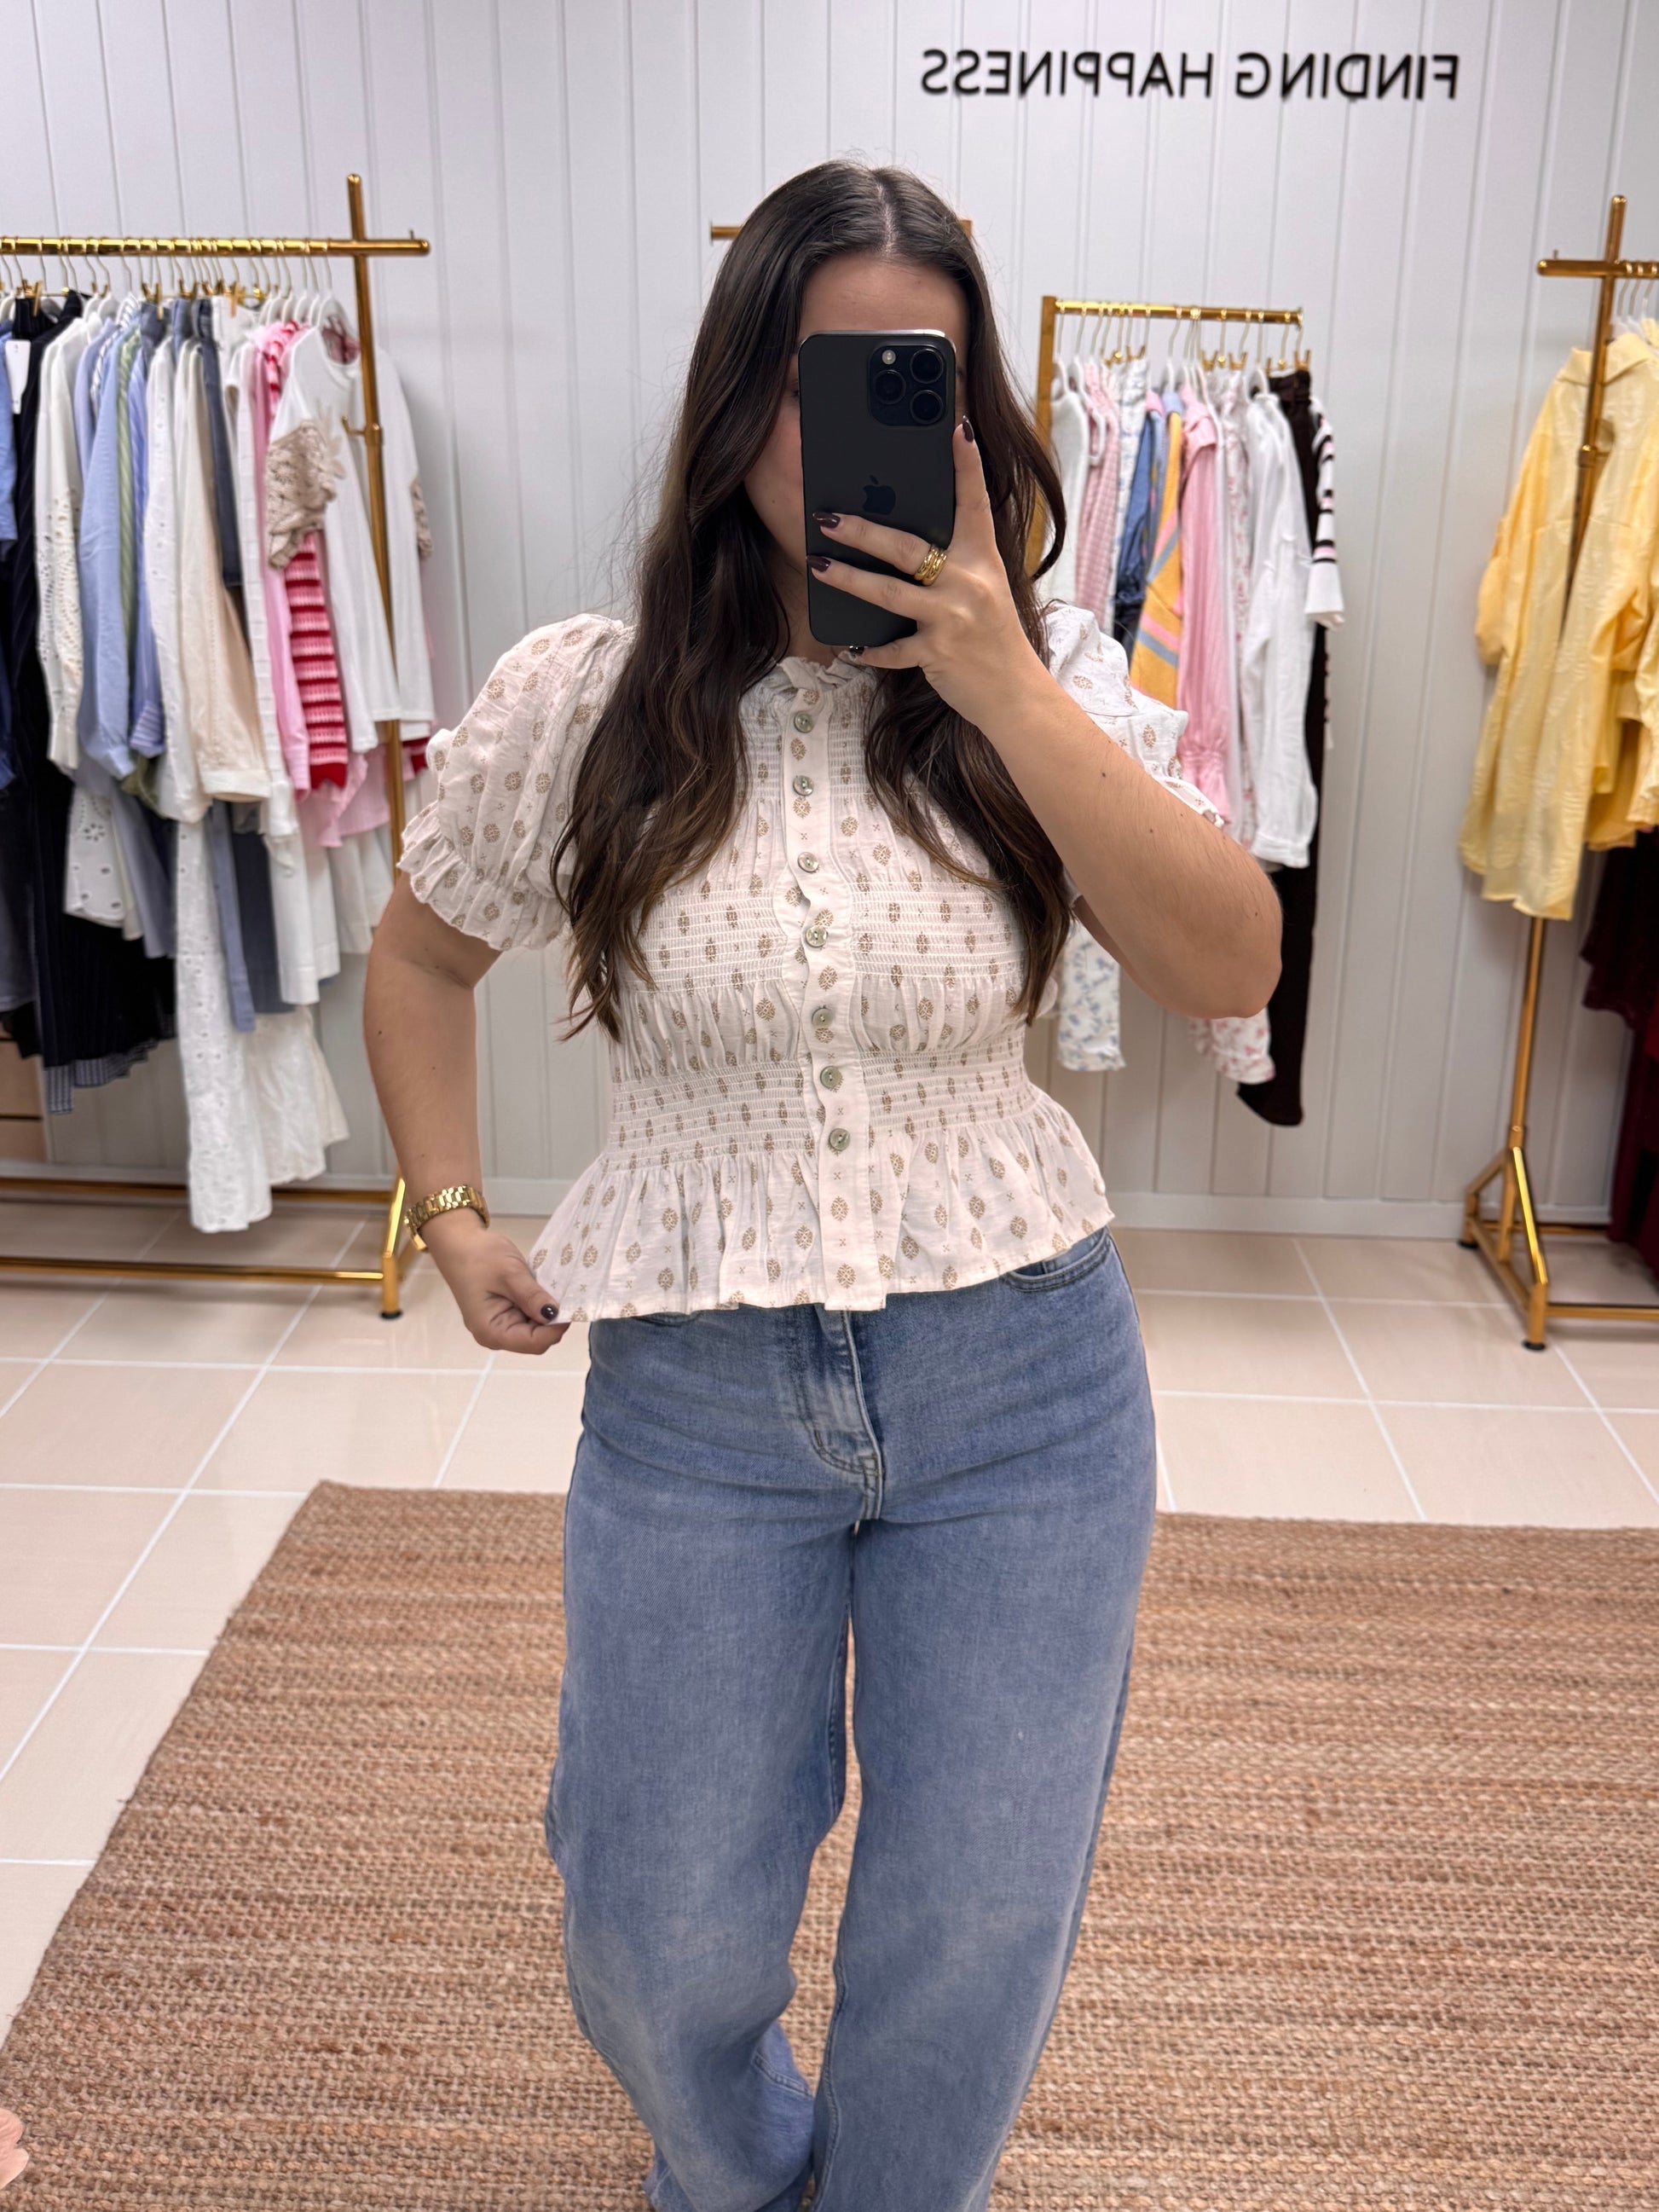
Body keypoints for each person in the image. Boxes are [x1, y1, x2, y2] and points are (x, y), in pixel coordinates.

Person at [365, 160, 1279, 2212]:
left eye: (910, 380)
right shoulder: (587, 696)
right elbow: (417, 957)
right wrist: (452, 1211)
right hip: (699, 1395)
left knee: (975, 1911)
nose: (850, 425)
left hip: (1022, 1384)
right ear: (733, 400)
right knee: (655, 1918)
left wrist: (1002, 681)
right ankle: (736, 2167)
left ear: (967, 417)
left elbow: (1230, 966)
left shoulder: (1042, 691)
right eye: (811, 374)